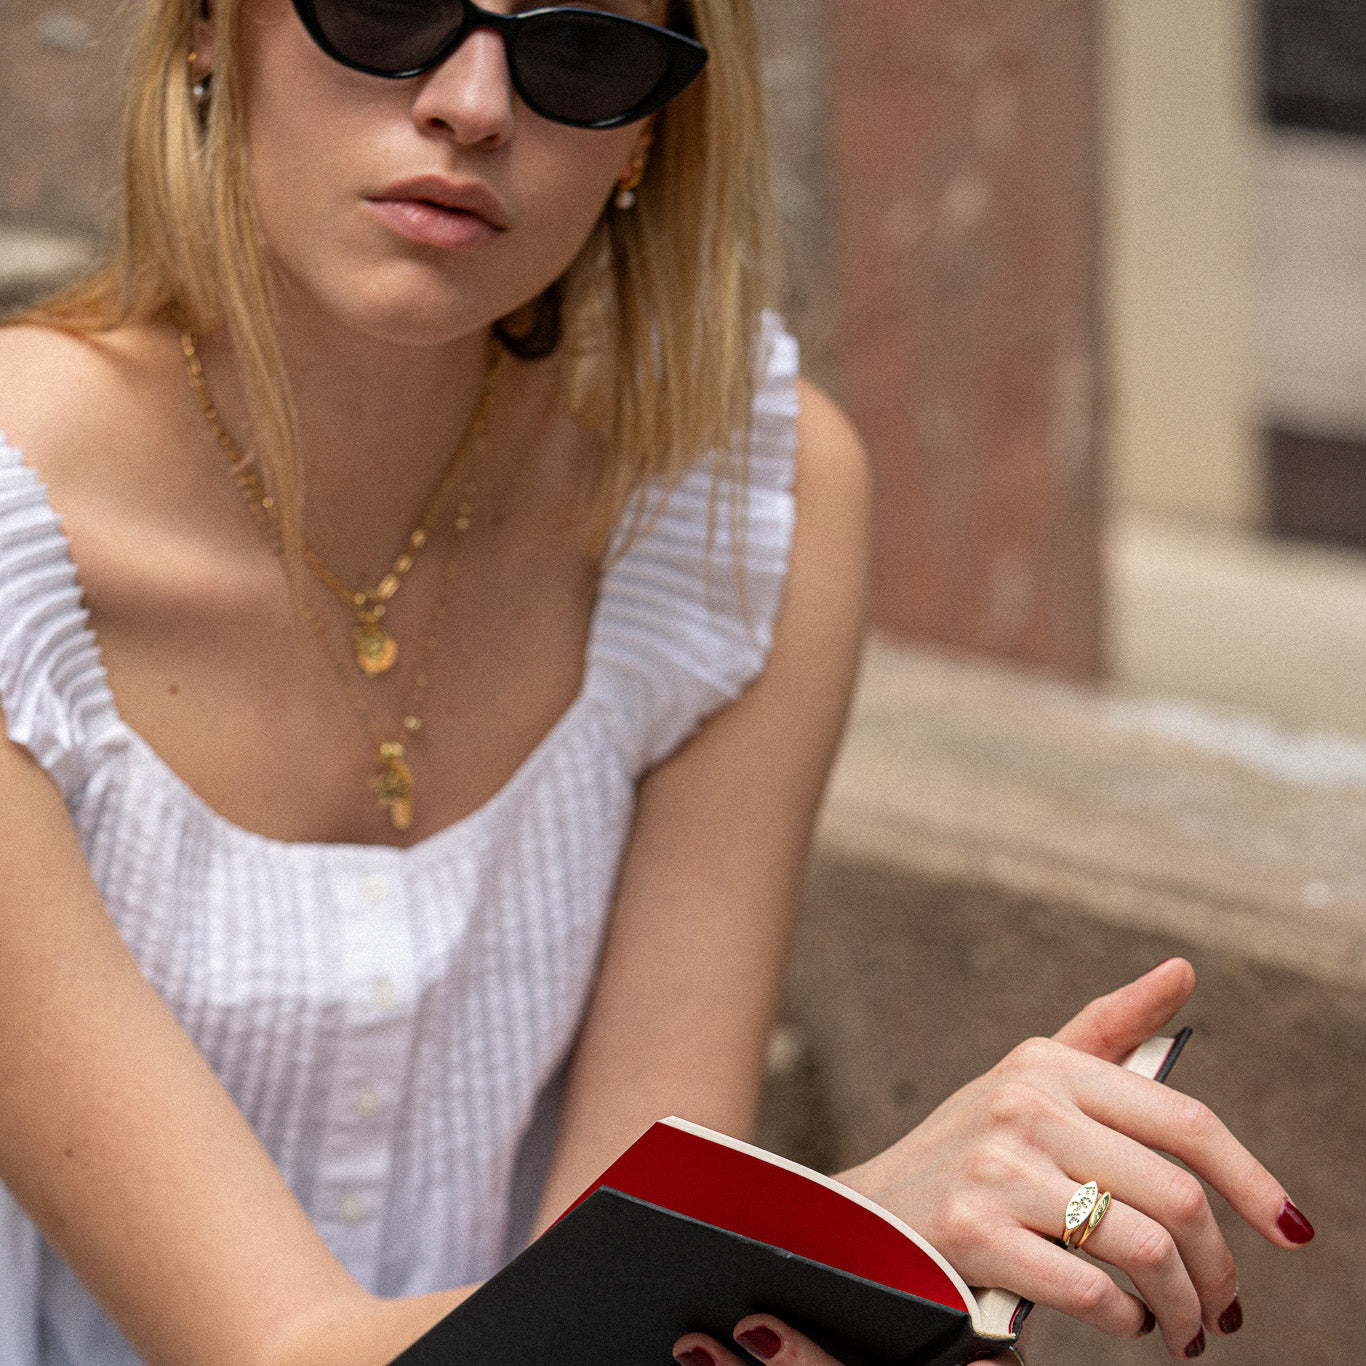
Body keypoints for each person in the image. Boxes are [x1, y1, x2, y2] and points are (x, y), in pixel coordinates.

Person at [0, 1, 1312, 1363]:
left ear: (644, 132)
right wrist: (859, 1218)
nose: (469, 102)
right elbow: (274, 1346)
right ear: (210, 29)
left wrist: (813, 1296)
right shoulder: (12, 529)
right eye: (385, 8)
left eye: (580, 50)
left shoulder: (733, 500)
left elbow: (627, 1275)